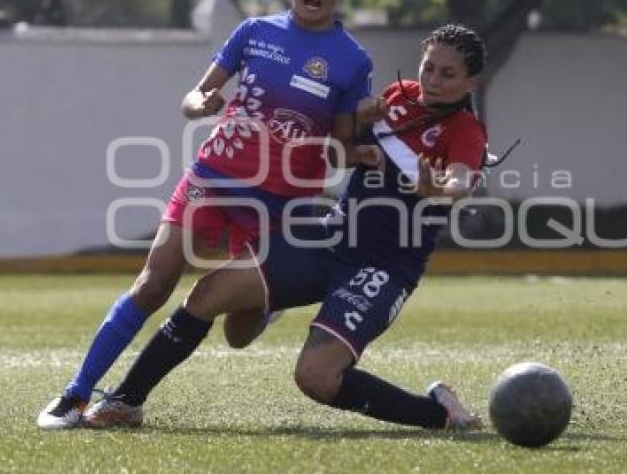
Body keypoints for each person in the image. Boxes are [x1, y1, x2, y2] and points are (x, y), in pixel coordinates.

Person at [37, 0, 430, 430]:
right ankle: (75, 394)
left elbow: (338, 144)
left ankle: (264, 308)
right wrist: (201, 103)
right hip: (212, 177)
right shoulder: (253, 32)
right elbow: (195, 96)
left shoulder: (353, 59)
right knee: (152, 285)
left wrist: (372, 153)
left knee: (238, 334)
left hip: (279, 203)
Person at [82, 24, 490, 432]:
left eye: (448, 74)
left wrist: (441, 189)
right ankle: (126, 402)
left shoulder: (465, 131)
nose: (433, 81)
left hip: (381, 269)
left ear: (472, 81)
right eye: (428, 68)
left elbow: (458, 181)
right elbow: (344, 145)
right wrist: (357, 119)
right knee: (207, 294)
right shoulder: (399, 97)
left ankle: (440, 415)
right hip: (331, 237)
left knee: (315, 377)